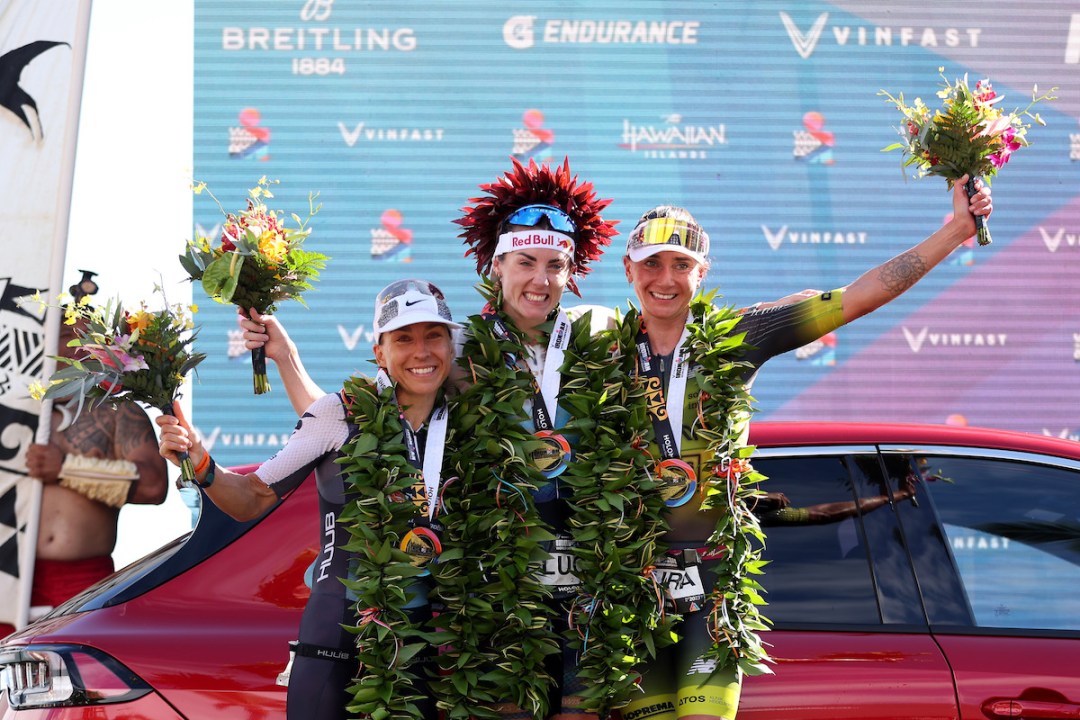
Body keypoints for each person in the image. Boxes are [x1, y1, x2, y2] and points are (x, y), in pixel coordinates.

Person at [615, 175, 993, 720]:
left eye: (681, 264)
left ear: (703, 272)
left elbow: (860, 297)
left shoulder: (741, 334)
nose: (666, 279)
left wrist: (957, 229)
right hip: (633, 593)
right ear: (628, 270)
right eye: (652, 264)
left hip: (714, 590)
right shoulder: (597, 350)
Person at [156, 279, 461, 720]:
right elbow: (251, 497)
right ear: (379, 352)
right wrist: (200, 463)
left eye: (433, 335)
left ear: (452, 346)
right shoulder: (338, 414)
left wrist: (286, 356)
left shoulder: (470, 425)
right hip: (335, 643)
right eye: (403, 338)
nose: (421, 351)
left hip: (418, 649)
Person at [0, 290, 169, 640]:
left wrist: (66, 469)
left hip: (84, 582)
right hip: (7, 581)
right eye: (64, 336)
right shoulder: (10, 411)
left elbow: (154, 487)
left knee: (82, 688)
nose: (74, 347)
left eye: (84, 338)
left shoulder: (119, 413)